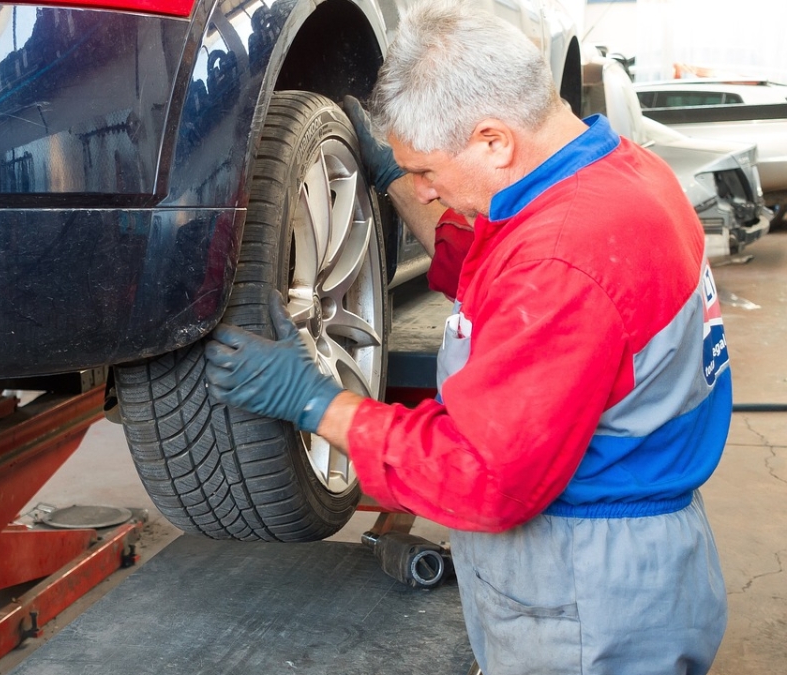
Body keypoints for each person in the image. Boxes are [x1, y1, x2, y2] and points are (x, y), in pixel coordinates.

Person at [202, 1, 730, 672]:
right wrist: (396, 179)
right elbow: (495, 264)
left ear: (492, 140)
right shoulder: (619, 175)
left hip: (588, 594)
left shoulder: (565, 259)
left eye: (428, 171)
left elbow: (482, 475)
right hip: (627, 556)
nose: (430, 192)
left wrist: (319, 405)